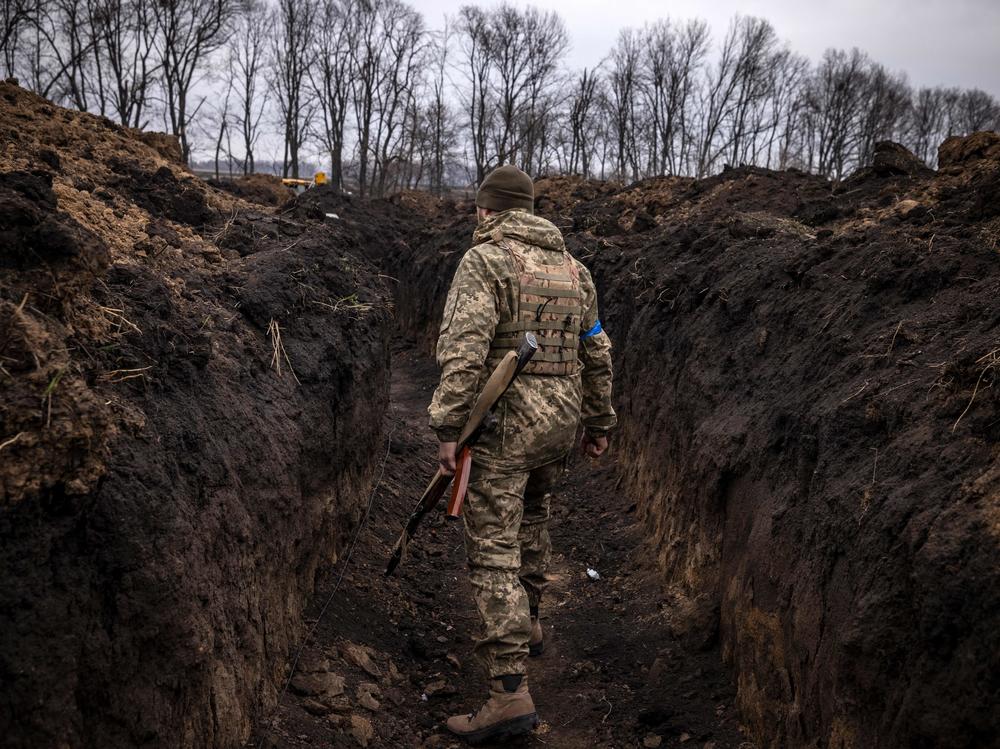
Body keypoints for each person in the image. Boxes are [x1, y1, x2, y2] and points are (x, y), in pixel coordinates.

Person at [428, 164, 617, 743]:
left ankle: (508, 693)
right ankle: (530, 621)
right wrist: (599, 418)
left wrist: (447, 428)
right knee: (534, 518)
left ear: (488, 210)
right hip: (557, 427)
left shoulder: (485, 262)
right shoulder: (573, 269)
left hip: (505, 431)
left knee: (492, 552)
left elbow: (464, 353)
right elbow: (597, 348)